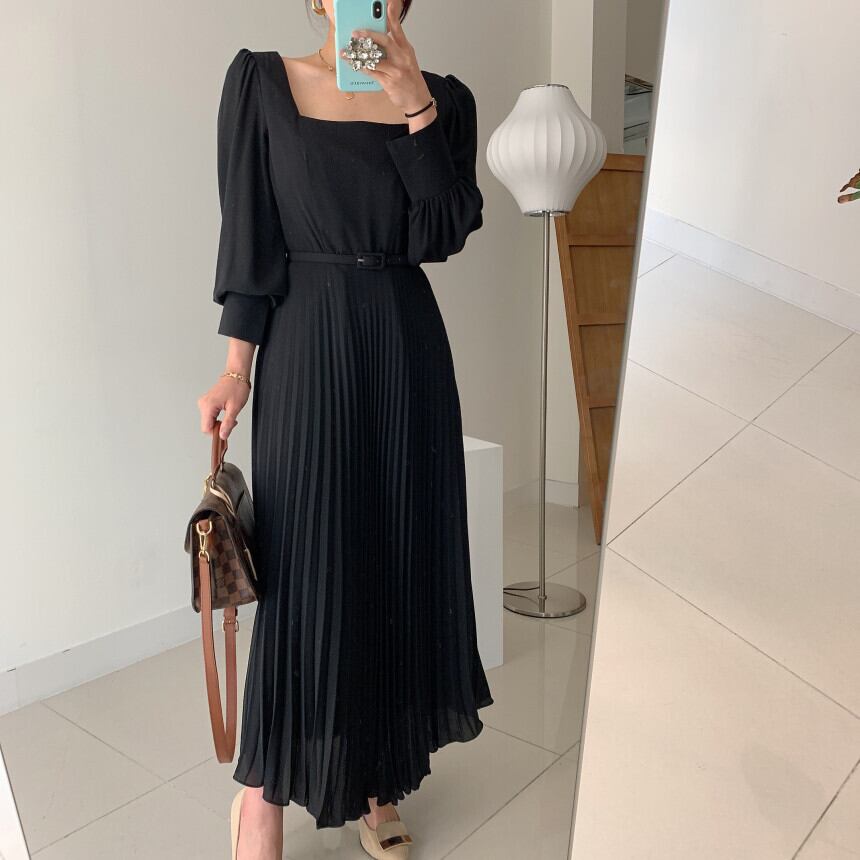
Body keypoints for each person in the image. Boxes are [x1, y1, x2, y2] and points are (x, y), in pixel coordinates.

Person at [197, 1, 493, 857]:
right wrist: (236, 368)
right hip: (306, 345)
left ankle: (376, 778)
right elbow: (250, 237)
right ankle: (261, 795)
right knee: (305, 568)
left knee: (393, 560)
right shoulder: (263, 83)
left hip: (406, 347)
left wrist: (414, 104)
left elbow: (444, 231)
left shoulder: (443, 98)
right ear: (321, 1)